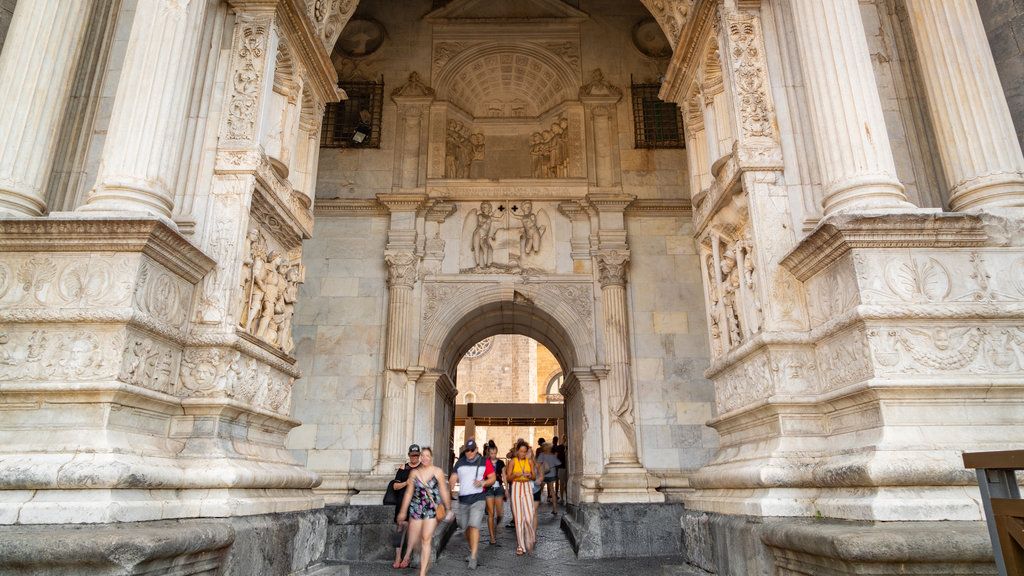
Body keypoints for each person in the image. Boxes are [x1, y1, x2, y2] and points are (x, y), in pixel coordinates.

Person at [396, 447, 453, 575]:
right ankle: (425, 560)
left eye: (428, 456)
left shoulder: (437, 471)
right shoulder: (414, 473)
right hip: (415, 508)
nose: (425, 458)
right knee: (415, 540)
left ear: (431, 458)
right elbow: (408, 493)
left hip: (431, 510)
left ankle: (422, 572)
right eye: (423, 456)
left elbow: (444, 490)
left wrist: (448, 507)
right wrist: (403, 511)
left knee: (426, 539)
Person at [449, 438, 495, 569]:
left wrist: (483, 483)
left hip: (478, 499)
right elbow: (453, 478)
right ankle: (471, 549)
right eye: (467, 450)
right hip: (463, 500)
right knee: (466, 528)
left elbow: (492, 478)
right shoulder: (460, 463)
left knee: (474, 526)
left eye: (471, 450)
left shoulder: (485, 462)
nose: (469, 453)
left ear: (476, 450)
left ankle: (473, 557)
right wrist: (450, 489)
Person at [390, 444, 422, 568]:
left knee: (412, 530)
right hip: (402, 502)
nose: (414, 457)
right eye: (412, 455)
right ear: (409, 455)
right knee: (400, 530)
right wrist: (407, 483)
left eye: (417, 455)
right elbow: (395, 486)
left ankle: (407, 557)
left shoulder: (422, 468)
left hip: (416, 503)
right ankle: (398, 557)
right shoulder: (403, 468)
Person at [506, 440, 537, 555]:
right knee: (519, 519)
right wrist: (515, 475)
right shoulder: (513, 462)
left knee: (529, 517)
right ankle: (520, 546)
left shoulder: (529, 462)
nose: (523, 454)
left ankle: (530, 537)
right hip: (516, 488)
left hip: (527, 487)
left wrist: (530, 475)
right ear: (517, 451)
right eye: (521, 451)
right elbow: (508, 478)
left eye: (524, 452)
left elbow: (534, 477)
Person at [484, 444, 506, 545]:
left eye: (494, 453)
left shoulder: (501, 463)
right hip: (489, 489)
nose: (493, 455)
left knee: (500, 514)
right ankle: (491, 536)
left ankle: (496, 527)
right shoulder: (485, 462)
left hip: (499, 489)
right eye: (491, 453)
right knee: (491, 513)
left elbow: (504, 476)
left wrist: (507, 488)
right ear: (488, 452)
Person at [536, 443, 561, 514]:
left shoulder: (542, 455)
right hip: (552, 474)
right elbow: (557, 464)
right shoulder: (552, 455)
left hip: (543, 474)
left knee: (538, 491)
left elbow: (539, 465)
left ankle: (535, 508)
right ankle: (555, 509)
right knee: (552, 492)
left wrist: (539, 474)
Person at [551, 436, 567, 504]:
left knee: (562, 483)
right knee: (562, 483)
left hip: (562, 467)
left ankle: (562, 498)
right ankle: (562, 498)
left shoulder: (562, 447)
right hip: (562, 467)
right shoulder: (560, 448)